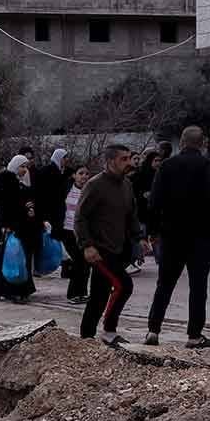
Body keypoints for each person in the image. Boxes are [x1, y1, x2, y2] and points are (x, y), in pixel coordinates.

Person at [145, 126, 210, 349]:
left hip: (171, 233)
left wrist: (152, 232)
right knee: (198, 285)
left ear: (181, 142)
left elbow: (154, 202)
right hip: (200, 235)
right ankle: (194, 335)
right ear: (202, 143)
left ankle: (153, 331)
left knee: (164, 283)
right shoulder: (206, 166)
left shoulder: (166, 166)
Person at [75, 144, 143, 347]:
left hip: (119, 247)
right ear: (111, 161)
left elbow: (131, 214)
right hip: (100, 250)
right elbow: (80, 217)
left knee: (99, 293)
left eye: (129, 158)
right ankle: (109, 330)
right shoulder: (95, 185)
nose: (129, 162)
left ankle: (86, 337)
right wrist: (87, 245)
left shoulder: (126, 185)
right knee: (124, 285)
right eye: (124, 159)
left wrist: (139, 237)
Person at [0, 155, 40, 303]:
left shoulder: (16, 182)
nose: (25, 170)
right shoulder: (8, 183)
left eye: (26, 167)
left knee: (14, 259)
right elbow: (7, 207)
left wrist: (29, 210)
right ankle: (14, 291)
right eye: (22, 166)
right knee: (14, 259)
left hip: (20, 226)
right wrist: (23, 209)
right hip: (12, 227)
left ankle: (10, 290)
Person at [62, 165, 91, 304]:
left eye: (86, 174)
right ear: (74, 175)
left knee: (86, 263)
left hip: (84, 232)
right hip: (68, 231)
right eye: (81, 173)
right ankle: (73, 294)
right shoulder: (66, 190)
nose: (84, 176)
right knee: (78, 262)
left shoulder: (91, 191)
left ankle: (82, 293)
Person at [36, 148, 70, 240]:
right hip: (50, 212)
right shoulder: (48, 171)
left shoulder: (61, 171)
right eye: (64, 157)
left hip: (57, 211)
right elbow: (42, 194)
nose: (66, 160)